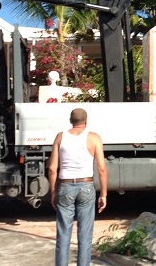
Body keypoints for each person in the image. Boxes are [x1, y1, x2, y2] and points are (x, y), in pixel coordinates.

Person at [48, 108, 108, 266]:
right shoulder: (94, 138)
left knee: (63, 234)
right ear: (86, 121)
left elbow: (53, 168)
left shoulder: (60, 137)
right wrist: (104, 194)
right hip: (86, 186)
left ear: (70, 121)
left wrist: (53, 192)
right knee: (85, 235)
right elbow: (102, 169)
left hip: (65, 186)